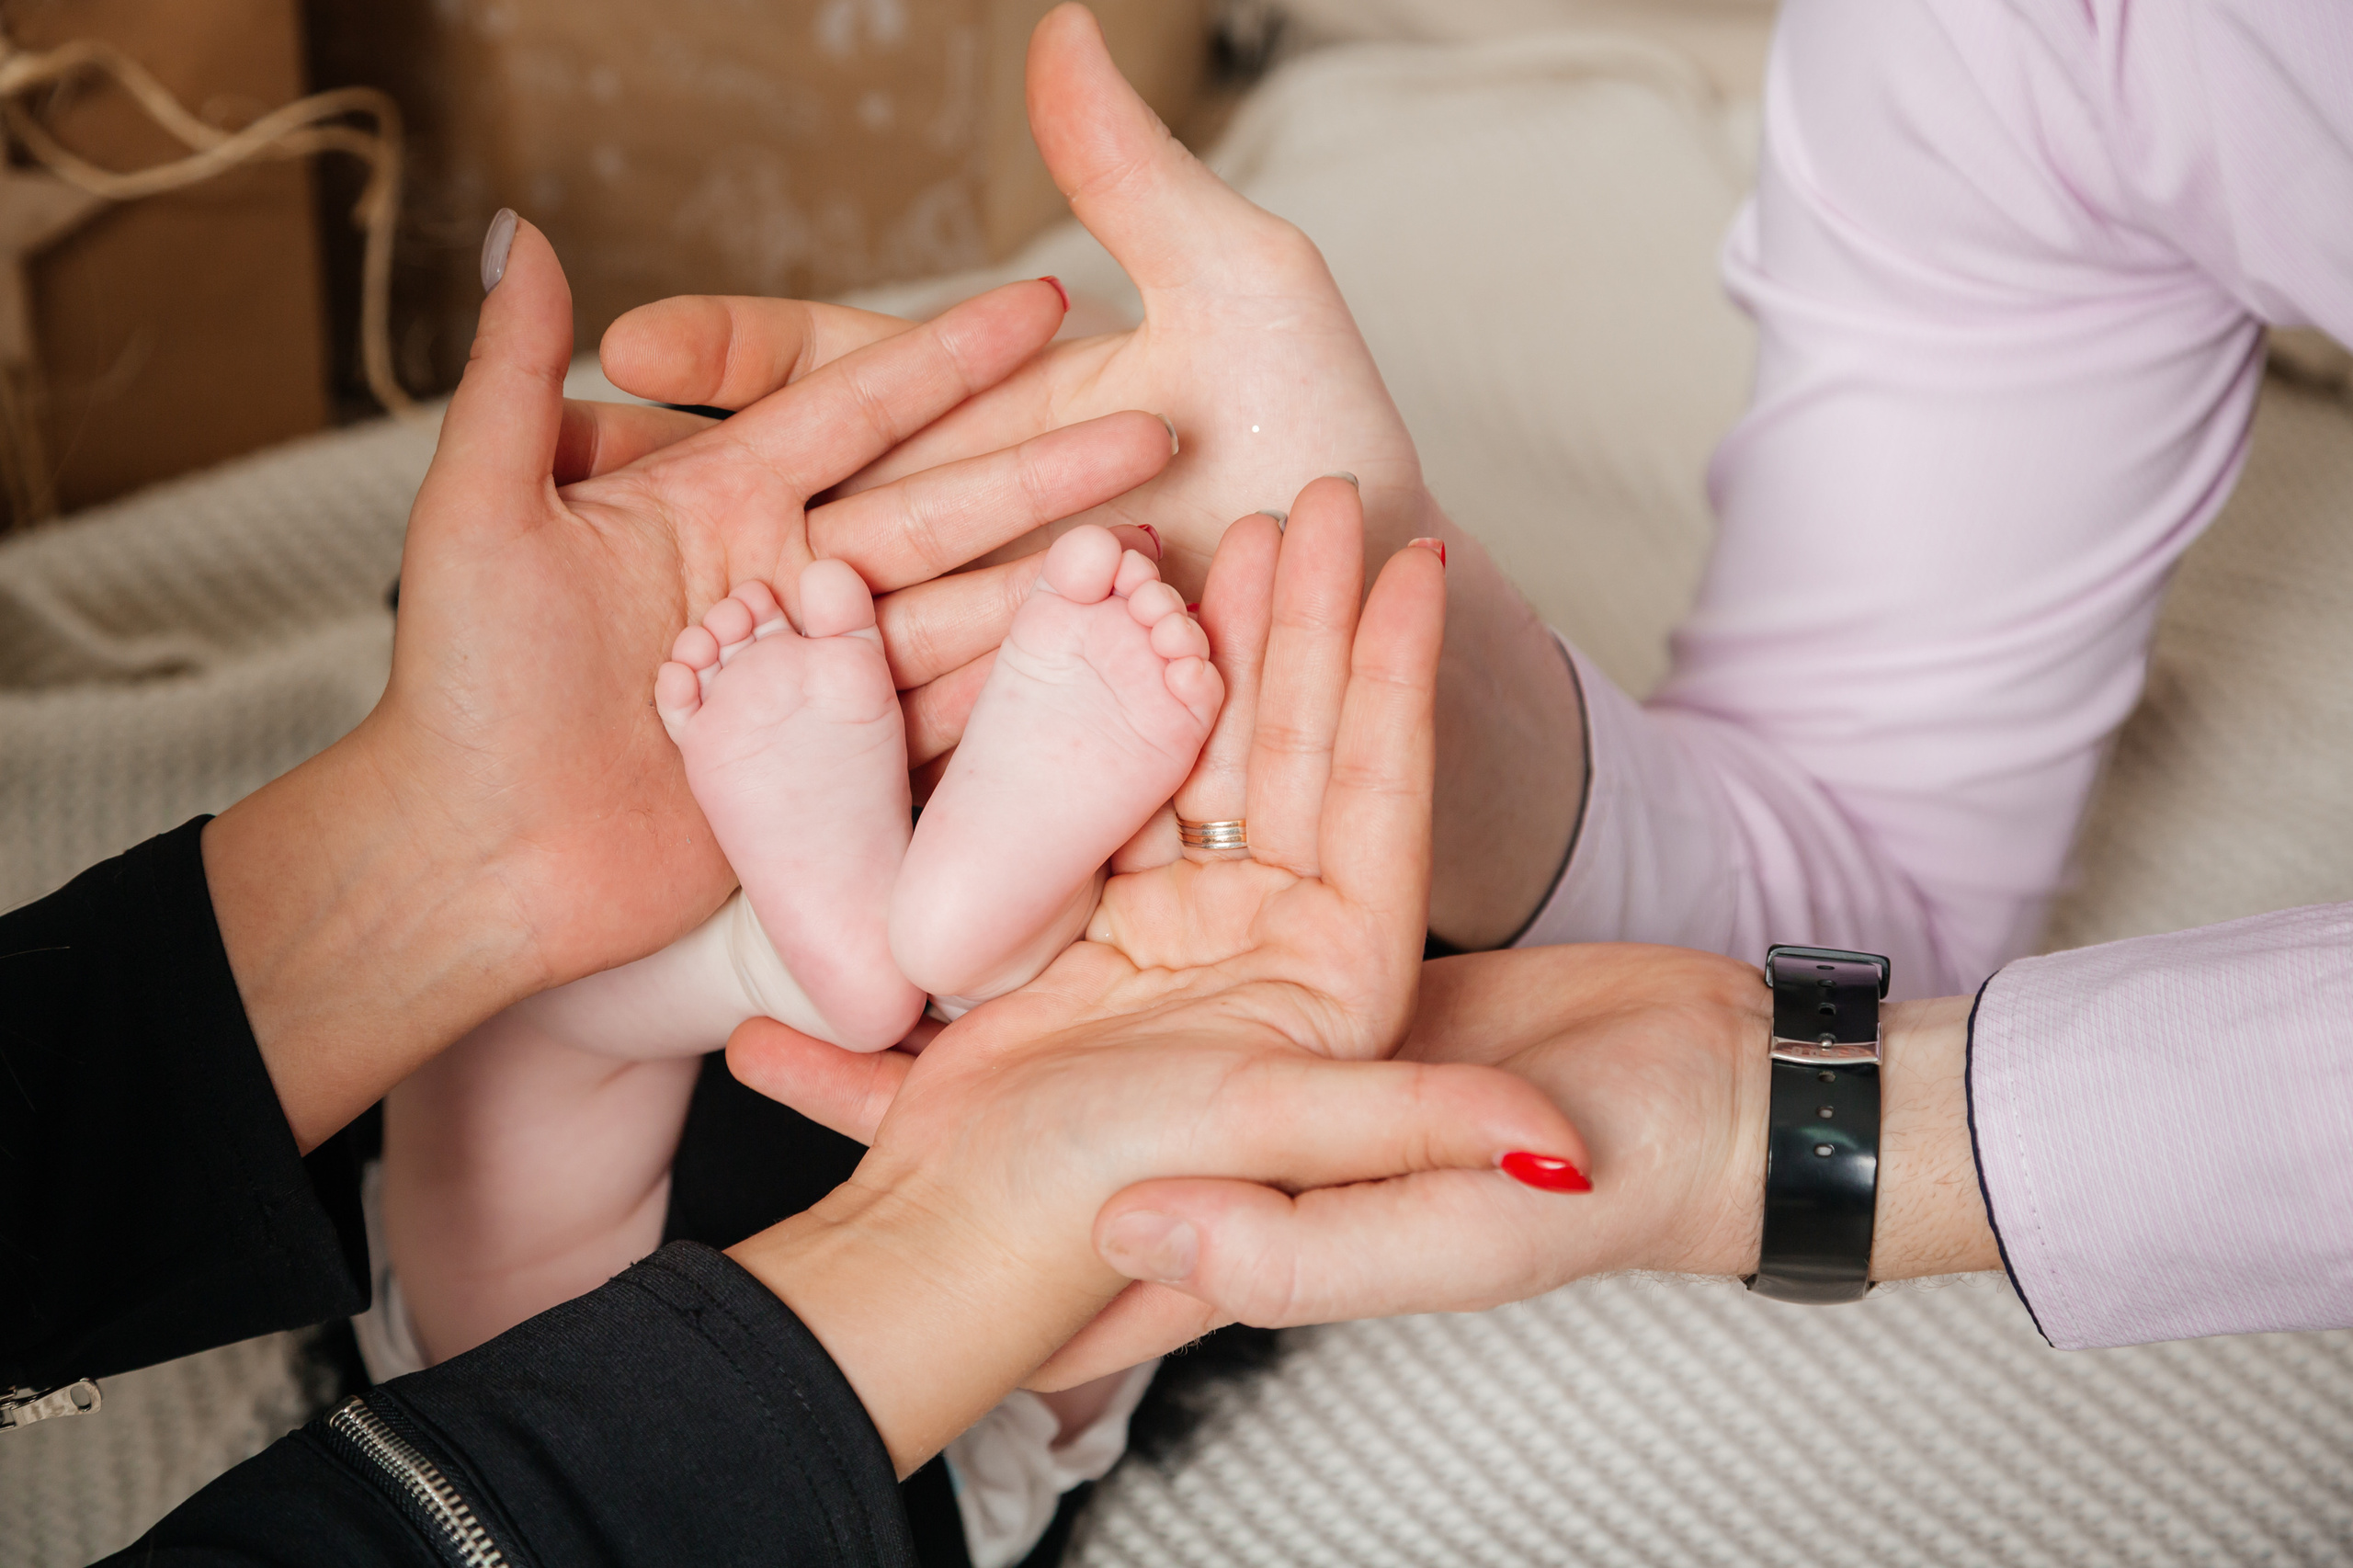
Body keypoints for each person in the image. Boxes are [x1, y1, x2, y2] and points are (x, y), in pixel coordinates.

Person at [644, 0, 2350, 1366]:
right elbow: (1872, 914)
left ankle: (921, 930)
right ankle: (938, 918)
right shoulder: (2013, 40)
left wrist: (1879, 1152)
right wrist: (1403, 636)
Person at [0, 199, 1591, 1562]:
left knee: (535, 1033)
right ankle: (953, 934)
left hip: (595, 1399)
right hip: (917, 1421)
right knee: (1110, 1130)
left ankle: (802, 948)